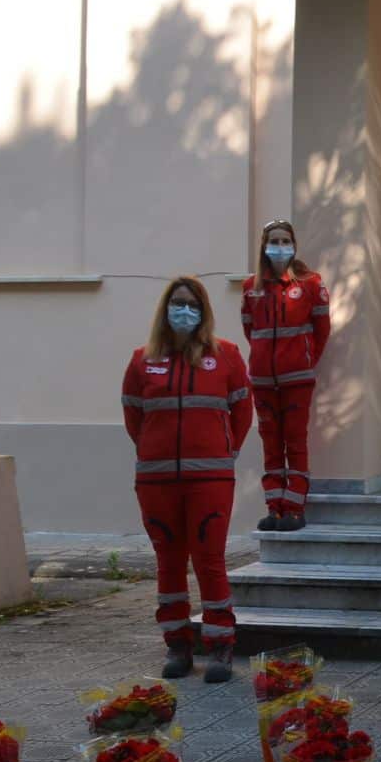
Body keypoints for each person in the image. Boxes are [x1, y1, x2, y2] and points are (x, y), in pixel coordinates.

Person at [120, 277, 253, 682]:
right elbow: (134, 418)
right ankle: (178, 646)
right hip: (157, 482)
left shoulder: (226, 356)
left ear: (204, 311)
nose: (184, 311)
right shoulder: (141, 361)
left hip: (209, 479)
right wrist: (152, 451)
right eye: (177, 303)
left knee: (209, 560)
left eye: (191, 304)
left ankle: (219, 647)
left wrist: (222, 452)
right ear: (165, 310)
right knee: (169, 563)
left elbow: (242, 415)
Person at [240, 220, 331, 532]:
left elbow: (322, 331)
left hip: (297, 381)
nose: (280, 246)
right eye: (274, 241)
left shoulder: (310, 284)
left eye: (285, 241)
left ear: (294, 245)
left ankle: (294, 508)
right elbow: (250, 331)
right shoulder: (251, 287)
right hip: (263, 382)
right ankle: (274, 508)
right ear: (265, 246)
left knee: (295, 443)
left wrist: (304, 361)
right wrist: (264, 361)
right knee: (271, 446)